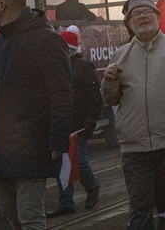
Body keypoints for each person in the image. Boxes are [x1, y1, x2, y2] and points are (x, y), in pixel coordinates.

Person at [102, 0, 165, 230]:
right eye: (135, 14)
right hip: (135, 146)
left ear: (158, 17)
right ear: (129, 23)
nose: (142, 17)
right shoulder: (120, 55)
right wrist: (109, 82)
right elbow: (111, 98)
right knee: (139, 208)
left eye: (147, 12)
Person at [0, 0, 73, 229]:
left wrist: (58, 141)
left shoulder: (46, 41)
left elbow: (62, 94)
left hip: (31, 145)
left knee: (30, 216)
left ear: (2, 4)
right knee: (9, 213)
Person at [47, 26, 103, 218]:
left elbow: (96, 94)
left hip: (79, 125)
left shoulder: (83, 66)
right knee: (60, 164)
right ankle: (66, 202)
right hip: (61, 125)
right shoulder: (56, 67)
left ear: (69, 48)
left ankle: (92, 188)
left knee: (78, 161)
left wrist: (91, 118)